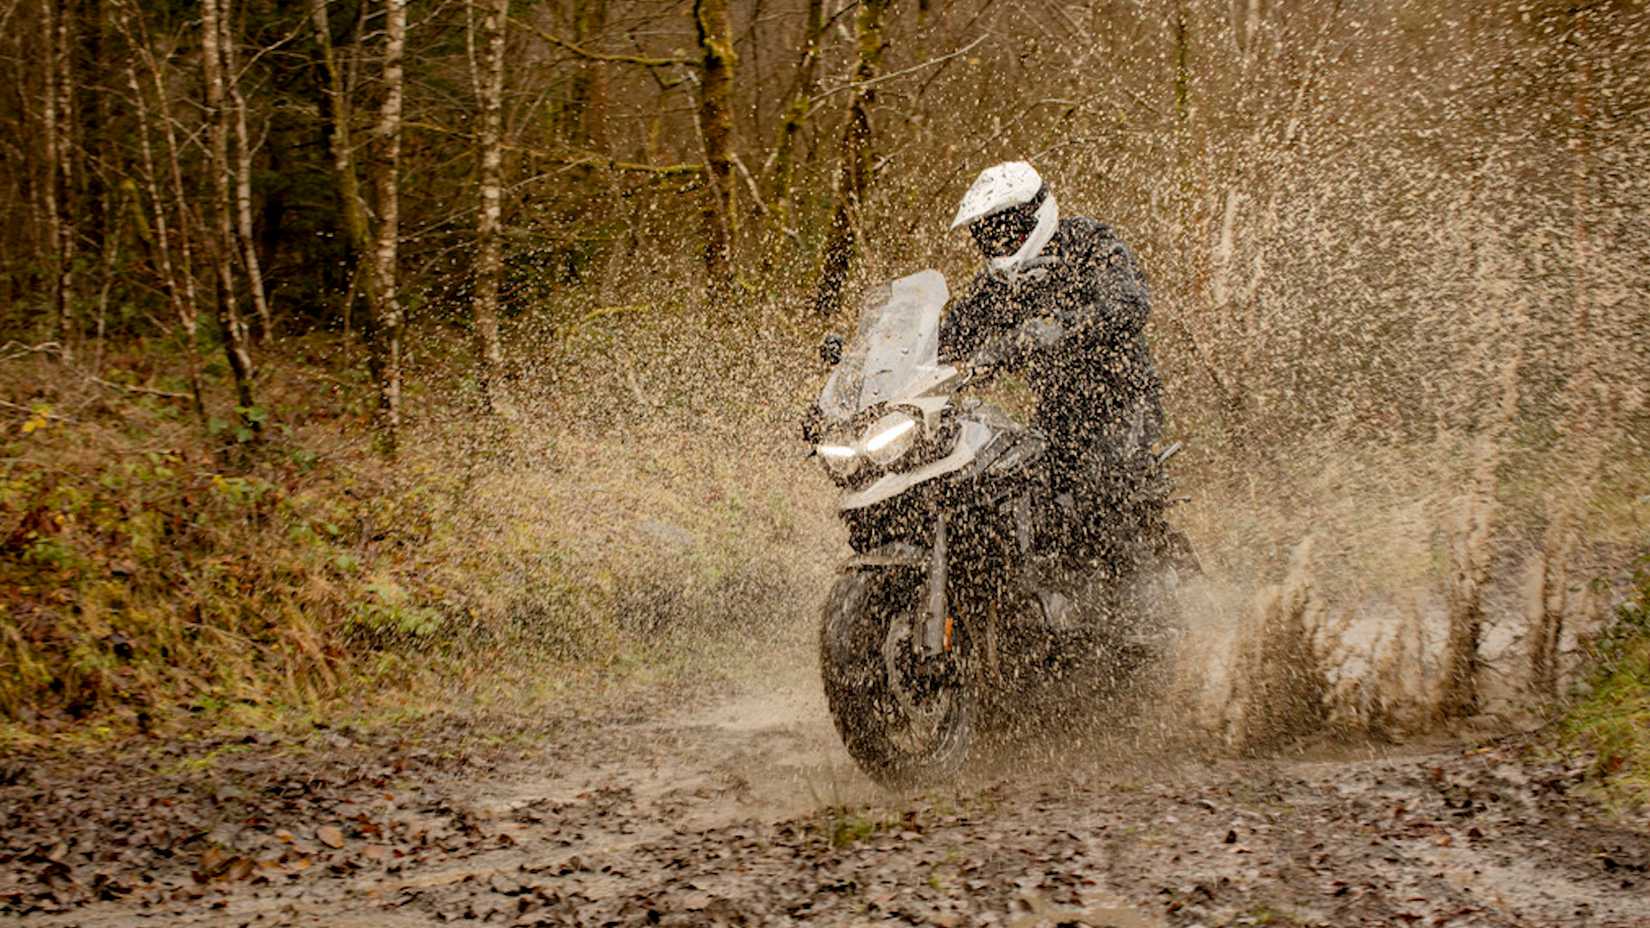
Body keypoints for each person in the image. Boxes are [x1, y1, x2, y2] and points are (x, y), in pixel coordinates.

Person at [938, 161, 1170, 574]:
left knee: (1095, 496)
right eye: (987, 233)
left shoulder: (1089, 244)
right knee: (1003, 489)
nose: (997, 240)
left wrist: (1049, 331)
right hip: (1056, 414)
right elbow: (945, 338)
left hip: (1120, 404)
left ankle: (1132, 610)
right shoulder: (997, 286)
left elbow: (1129, 303)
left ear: (1035, 214)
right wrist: (866, 389)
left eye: (1005, 228)